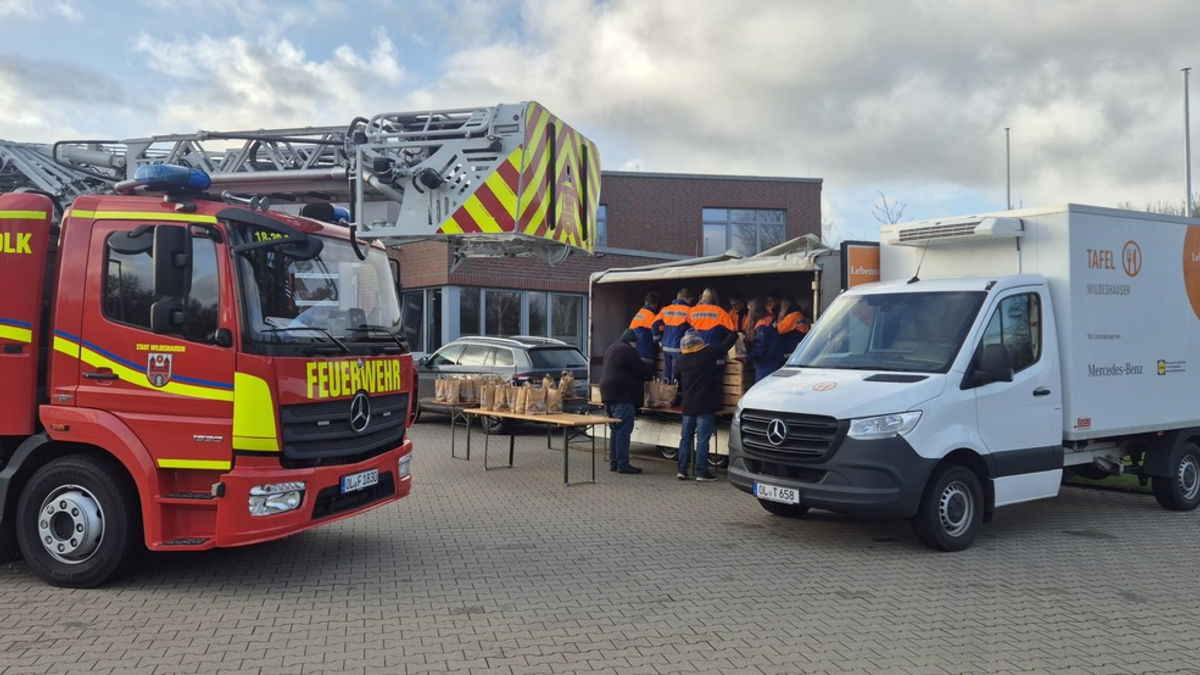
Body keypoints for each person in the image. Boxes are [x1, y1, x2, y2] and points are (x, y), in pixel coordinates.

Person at [675, 330, 738, 481]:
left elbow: (677, 378)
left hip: (688, 405)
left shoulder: (681, 360)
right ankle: (701, 472)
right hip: (705, 404)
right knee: (703, 439)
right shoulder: (707, 353)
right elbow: (724, 346)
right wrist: (733, 332)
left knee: (686, 438)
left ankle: (682, 470)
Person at [600, 328, 653, 474]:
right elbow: (643, 372)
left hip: (607, 395)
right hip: (622, 396)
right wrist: (650, 373)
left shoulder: (612, 348)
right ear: (632, 342)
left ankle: (614, 463)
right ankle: (623, 465)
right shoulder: (628, 351)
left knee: (615, 430)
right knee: (623, 431)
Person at [653, 288, 692, 383]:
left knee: (666, 375)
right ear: (685, 298)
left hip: (666, 347)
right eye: (690, 299)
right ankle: (674, 396)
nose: (691, 301)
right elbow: (694, 328)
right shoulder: (689, 311)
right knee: (675, 376)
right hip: (679, 348)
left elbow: (654, 324)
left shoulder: (665, 309)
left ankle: (665, 395)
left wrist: (658, 340)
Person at [745, 298, 784, 382]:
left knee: (762, 390)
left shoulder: (762, 326)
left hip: (766, 365)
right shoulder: (770, 318)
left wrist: (748, 357)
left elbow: (761, 348)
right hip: (776, 360)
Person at [627, 292, 660, 368]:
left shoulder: (639, 314)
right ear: (655, 304)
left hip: (634, 352)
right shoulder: (652, 317)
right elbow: (656, 337)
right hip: (645, 352)